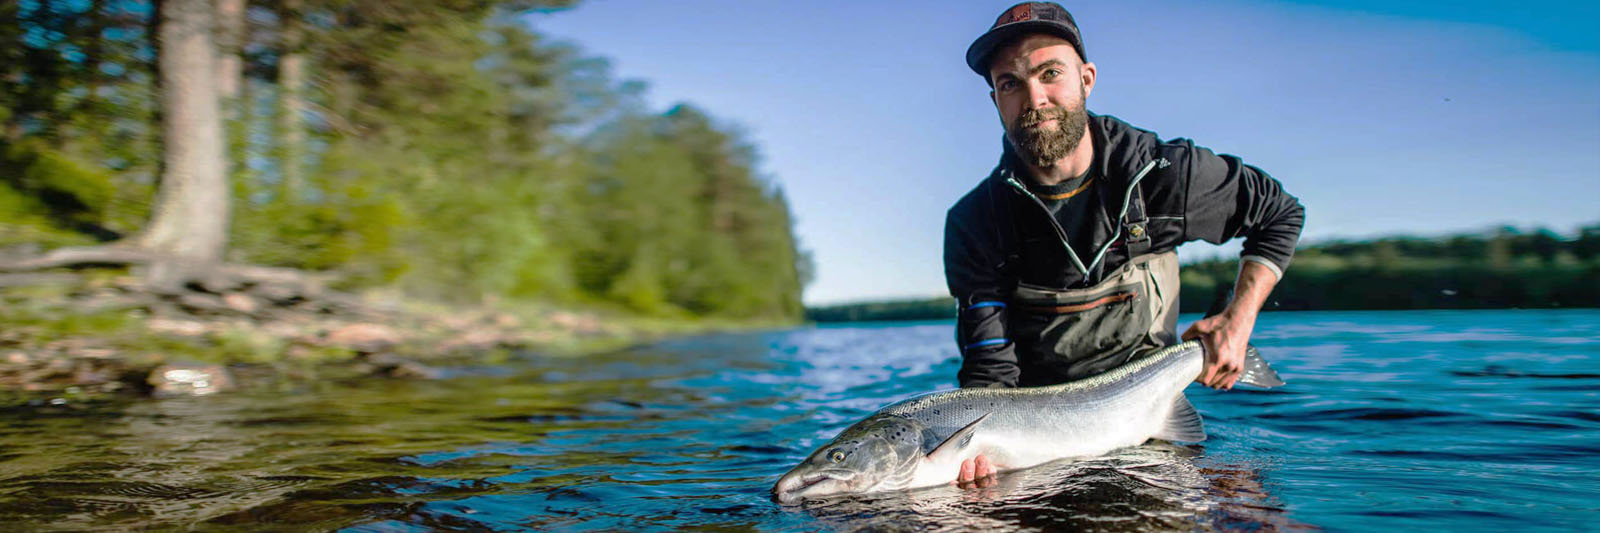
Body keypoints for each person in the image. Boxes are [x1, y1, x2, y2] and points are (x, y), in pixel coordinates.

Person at [943, 2, 1306, 488]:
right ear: (995, 100)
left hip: (1153, 431)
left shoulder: (1166, 175)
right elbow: (989, 371)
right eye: (1010, 83)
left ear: (1086, 79)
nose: (1034, 98)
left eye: (1050, 73)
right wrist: (976, 454)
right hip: (1041, 454)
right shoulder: (975, 222)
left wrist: (1236, 322)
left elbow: (1278, 212)